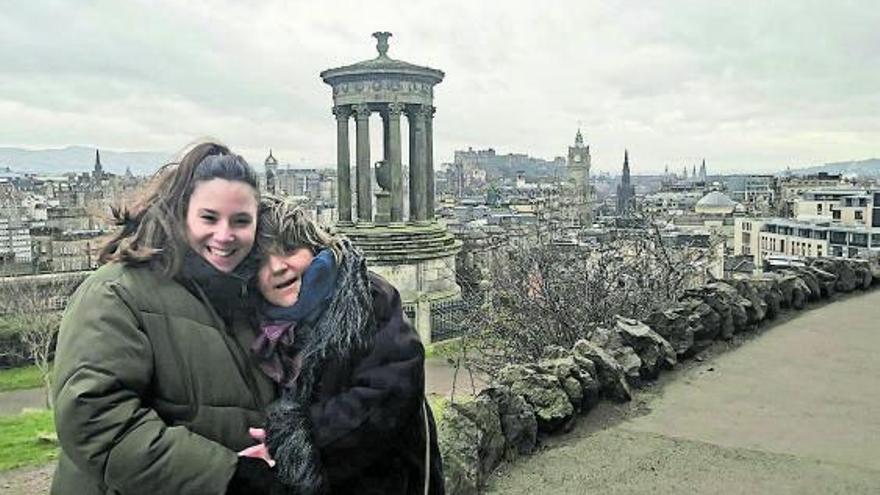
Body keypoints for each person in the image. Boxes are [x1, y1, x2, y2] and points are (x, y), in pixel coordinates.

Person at [51, 141, 281, 494]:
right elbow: (94, 419)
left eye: (240, 221)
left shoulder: (245, 298)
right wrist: (227, 477)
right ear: (181, 213)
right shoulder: (115, 291)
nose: (224, 235)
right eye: (209, 217)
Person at [248, 196, 444, 494]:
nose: (277, 266)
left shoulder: (364, 295)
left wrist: (303, 436)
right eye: (261, 260)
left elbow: (392, 388)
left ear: (313, 248)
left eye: (289, 249)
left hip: (384, 479)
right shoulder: (257, 325)